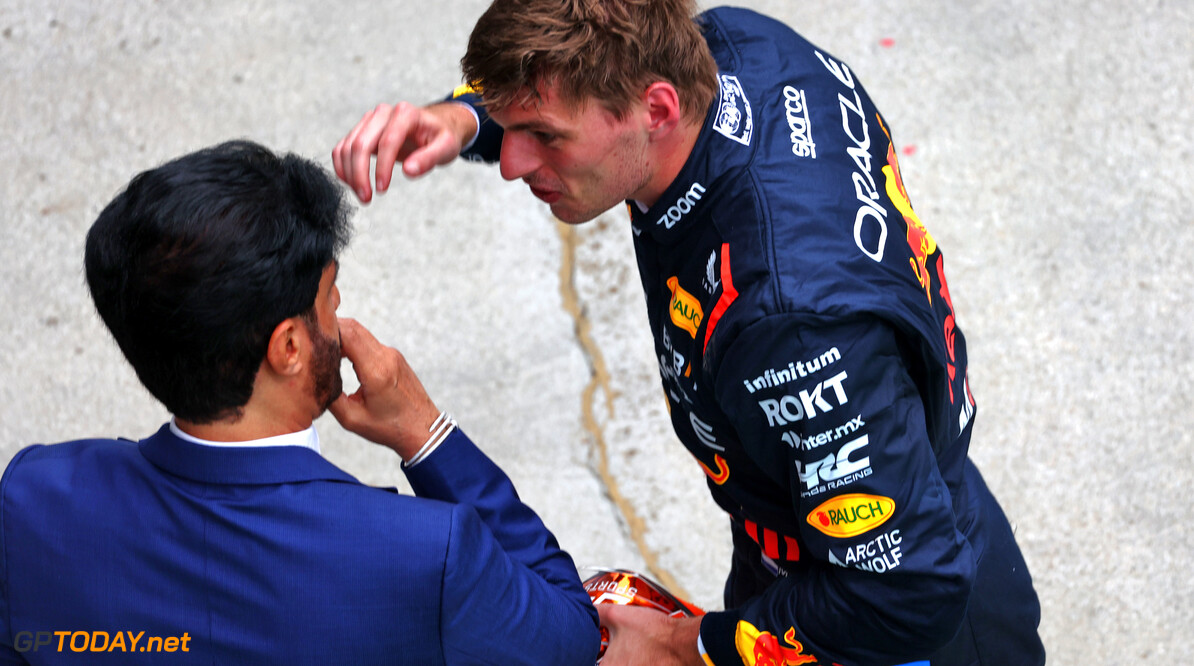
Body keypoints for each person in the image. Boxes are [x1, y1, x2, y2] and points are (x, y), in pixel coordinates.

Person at [333, 1, 1047, 665]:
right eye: (508, 128)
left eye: (544, 136)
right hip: (836, 517)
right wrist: (464, 121)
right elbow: (575, 84)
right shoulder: (735, 46)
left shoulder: (787, 329)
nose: (514, 164)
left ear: (657, 109)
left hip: (885, 622)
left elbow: (904, 589)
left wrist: (683, 646)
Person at [0, 141, 600, 665]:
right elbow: (570, 637)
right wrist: (426, 433)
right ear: (288, 345)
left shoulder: (31, 500)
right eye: (329, 298)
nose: (337, 317)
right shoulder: (424, 555)